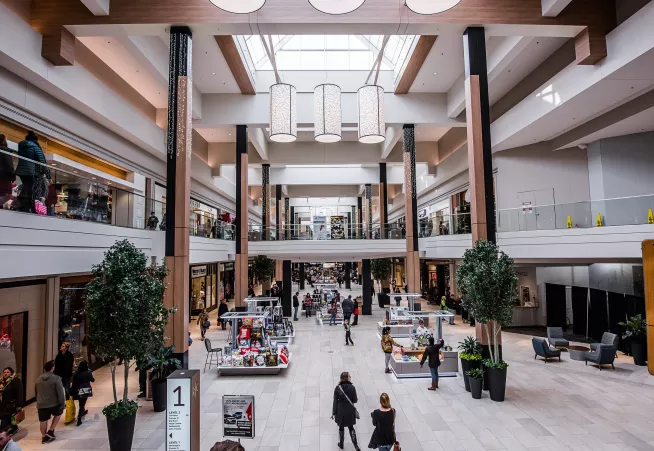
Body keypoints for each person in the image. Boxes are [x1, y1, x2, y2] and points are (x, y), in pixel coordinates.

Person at [15, 131, 48, 213]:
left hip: (21, 171)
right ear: (36, 140)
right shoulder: (36, 147)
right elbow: (42, 161)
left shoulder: (21, 146)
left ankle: (23, 206)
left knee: (27, 187)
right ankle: (30, 208)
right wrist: (48, 175)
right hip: (31, 171)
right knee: (31, 191)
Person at [35, 360, 65, 444]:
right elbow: (60, 393)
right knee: (58, 413)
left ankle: (44, 437)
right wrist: (62, 403)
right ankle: (51, 431)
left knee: (43, 421)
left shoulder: (38, 379)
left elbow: (36, 392)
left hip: (41, 404)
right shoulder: (56, 378)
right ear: (52, 368)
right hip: (53, 403)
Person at [332, 372, 361, 451]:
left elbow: (335, 401)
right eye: (349, 376)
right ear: (347, 378)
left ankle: (341, 444)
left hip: (340, 410)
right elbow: (355, 400)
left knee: (341, 427)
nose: (350, 377)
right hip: (350, 410)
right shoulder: (352, 387)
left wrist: (333, 412)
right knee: (351, 427)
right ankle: (356, 446)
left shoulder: (337, 388)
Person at [70, 361, 94, 426]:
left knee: (81, 402)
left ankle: (83, 411)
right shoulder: (88, 372)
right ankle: (79, 418)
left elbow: (73, 382)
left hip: (77, 390)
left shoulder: (76, 373)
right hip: (84, 390)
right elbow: (92, 380)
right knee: (82, 404)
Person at [0, 135, 15, 207]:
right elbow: (9, 165)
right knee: (7, 195)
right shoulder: (5, 150)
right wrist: (13, 176)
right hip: (4, 177)